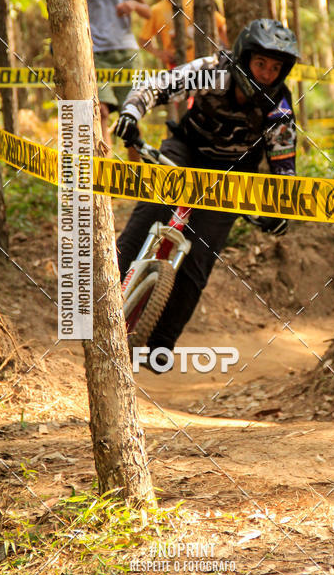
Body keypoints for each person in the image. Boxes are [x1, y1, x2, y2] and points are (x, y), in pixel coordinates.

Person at [115, 18, 298, 358]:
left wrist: (280, 210)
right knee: (147, 216)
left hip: (232, 177)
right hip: (186, 151)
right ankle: (98, 309)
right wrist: (130, 113)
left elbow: (283, 166)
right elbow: (158, 86)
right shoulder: (212, 71)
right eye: (261, 64)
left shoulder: (280, 108)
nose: (267, 74)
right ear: (244, 57)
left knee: (199, 258)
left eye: (275, 68)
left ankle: (160, 346)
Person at [77, 0, 151, 145]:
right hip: (94, 54)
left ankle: (134, 167)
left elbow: (148, 11)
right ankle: (105, 166)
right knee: (100, 112)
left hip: (126, 53)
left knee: (131, 118)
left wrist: (133, 5)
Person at [138, 0, 228, 67]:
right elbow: (143, 40)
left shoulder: (195, 2)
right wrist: (160, 54)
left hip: (203, 61)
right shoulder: (156, 10)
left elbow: (221, 27)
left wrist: (230, 51)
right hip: (176, 65)